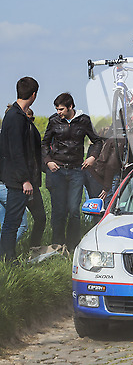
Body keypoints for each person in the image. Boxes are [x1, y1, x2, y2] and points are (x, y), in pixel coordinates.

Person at [42, 92, 103, 251]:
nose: (58, 112)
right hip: (58, 170)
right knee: (59, 211)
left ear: (70, 107)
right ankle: (57, 246)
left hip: (77, 170)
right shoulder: (53, 121)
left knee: (74, 210)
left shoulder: (84, 120)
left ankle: (73, 247)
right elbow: (44, 144)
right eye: (57, 109)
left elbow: (97, 141)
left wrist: (92, 157)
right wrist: (48, 161)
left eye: (61, 109)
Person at [0, 77, 46, 261]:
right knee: (12, 223)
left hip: (26, 179)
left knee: (35, 218)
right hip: (19, 181)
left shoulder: (20, 116)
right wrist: (25, 180)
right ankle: (8, 260)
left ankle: (25, 253)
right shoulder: (15, 118)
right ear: (34, 94)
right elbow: (16, 152)